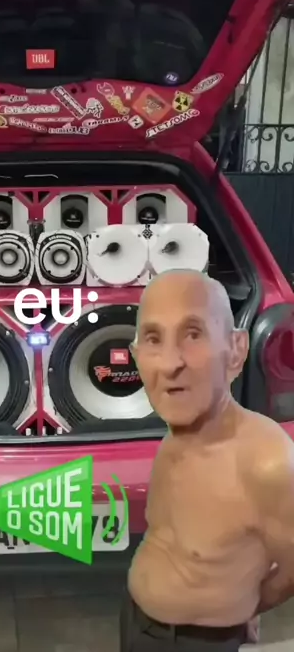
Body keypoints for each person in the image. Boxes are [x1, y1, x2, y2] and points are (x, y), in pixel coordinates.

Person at [121, 268, 294, 651]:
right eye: (153, 339)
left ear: (237, 349)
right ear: (136, 355)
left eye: (193, 334)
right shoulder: (178, 430)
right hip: (135, 622)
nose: (169, 363)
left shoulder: (266, 461)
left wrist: (246, 602)